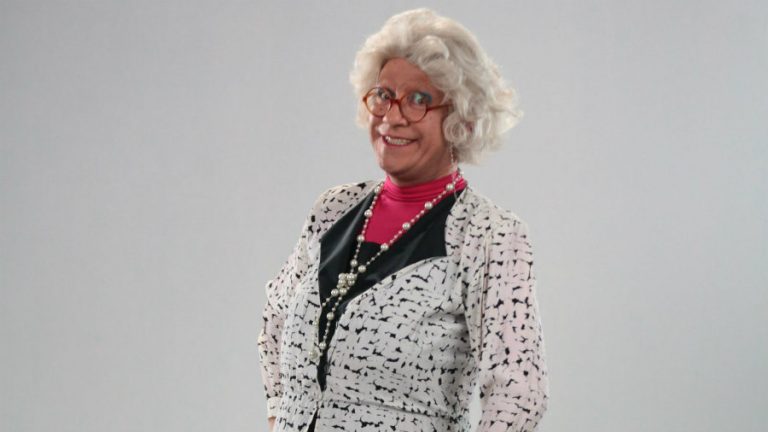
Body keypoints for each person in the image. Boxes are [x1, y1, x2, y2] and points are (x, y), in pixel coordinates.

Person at [258, 8, 548, 432]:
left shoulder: (487, 235)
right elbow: (275, 321)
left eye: (419, 100)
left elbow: (519, 391)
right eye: (384, 95)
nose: (392, 117)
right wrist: (280, 417)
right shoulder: (333, 210)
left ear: (461, 117)